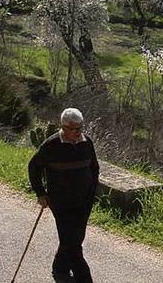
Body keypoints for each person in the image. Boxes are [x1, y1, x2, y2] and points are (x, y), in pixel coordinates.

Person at [27, 108, 100, 283]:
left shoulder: (86, 142)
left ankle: (60, 267)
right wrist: (41, 193)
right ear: (64, 127)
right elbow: (33, 167)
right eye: (74, 129)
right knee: (72, 243)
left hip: (84, 201)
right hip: (61, 201)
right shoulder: (51, 145)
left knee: (75, 237)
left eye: (80, 128)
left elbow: (94, 167)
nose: (78, 132)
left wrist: (92, 189)